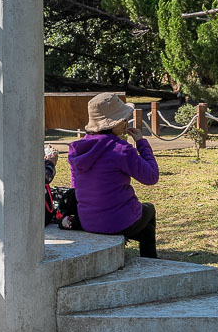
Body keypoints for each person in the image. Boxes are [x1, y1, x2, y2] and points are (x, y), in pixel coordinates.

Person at [68, 92, 160, 257]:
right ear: (114, 123)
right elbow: (152, 176)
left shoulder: (77, 149)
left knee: (145, 228)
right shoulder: (121, 150)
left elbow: (75, 186)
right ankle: (151, 262)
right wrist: (142, 143)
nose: (125, 123)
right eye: (123, 119)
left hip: (87, 221)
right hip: (118, 221)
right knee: (149, 211)